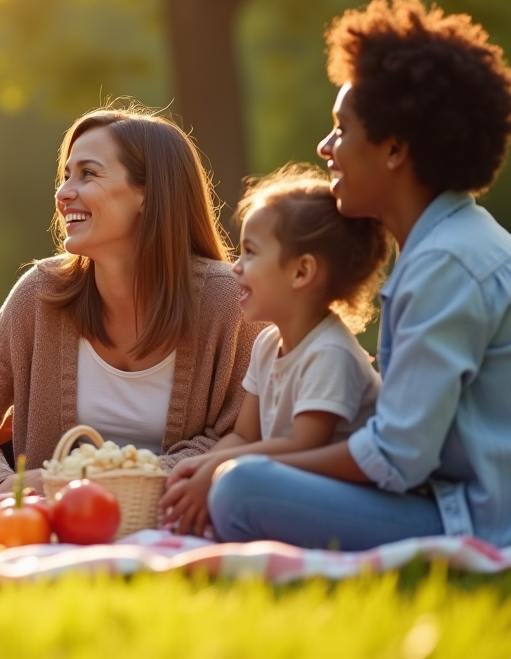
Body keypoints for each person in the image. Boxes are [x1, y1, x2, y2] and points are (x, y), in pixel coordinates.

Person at [208, 0, 511, 550]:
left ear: (394, 149)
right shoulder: (449, 246)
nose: (326, 147)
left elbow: (397, 456)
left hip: (474, 522)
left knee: (240, 489)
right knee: (240, 479)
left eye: (341, 130)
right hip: (444, 502)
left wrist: (248, 470)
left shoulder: (447, 263)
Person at [0, 106, 263, 494]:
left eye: (88, 174)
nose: (62, 193)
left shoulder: (231, 303)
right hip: (53, 537)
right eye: (65, 176)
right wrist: (7, 487)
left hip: (180, 527)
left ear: (148, 193)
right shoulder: (40, 295)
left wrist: (104, 482)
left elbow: (245, 435)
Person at [157, 165, 389, 536]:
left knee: (233, 489)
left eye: (250, 253)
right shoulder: (267, 343)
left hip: (340, 496)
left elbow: (301, 446)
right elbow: (246, 436)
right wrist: (202, 466)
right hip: (289, 480)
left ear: (301, 272)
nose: (235, 267)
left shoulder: (330, 352)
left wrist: (218, 472)